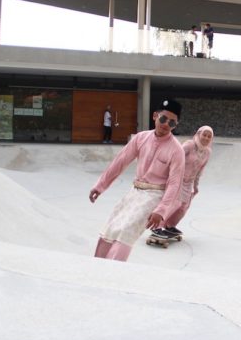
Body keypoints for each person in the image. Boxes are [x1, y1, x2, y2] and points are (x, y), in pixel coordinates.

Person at [89, 98, 185, 262]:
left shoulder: (177, 150)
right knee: (111, 227)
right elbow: (120, 161)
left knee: (127, 231)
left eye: (172, 123)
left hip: (155, 195)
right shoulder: (141, 138)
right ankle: (97, 266)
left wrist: (161, 210)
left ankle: (114, 272)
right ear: (155, 116)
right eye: (163, 119)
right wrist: (100, 185)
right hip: (135, 191)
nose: (166, 124)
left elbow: (174, 183)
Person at [153, 125, 213, 239]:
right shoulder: (189, 145)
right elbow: (174, 157)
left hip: (189, 182)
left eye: (209, 136)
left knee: (184, 206)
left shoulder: (207, 152)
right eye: (204, 135)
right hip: (178, 178)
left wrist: (196, 186)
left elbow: (199, 171)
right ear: (199, 134)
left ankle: (170, 225)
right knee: (175, 203)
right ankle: (157, 227)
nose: (206, 138)